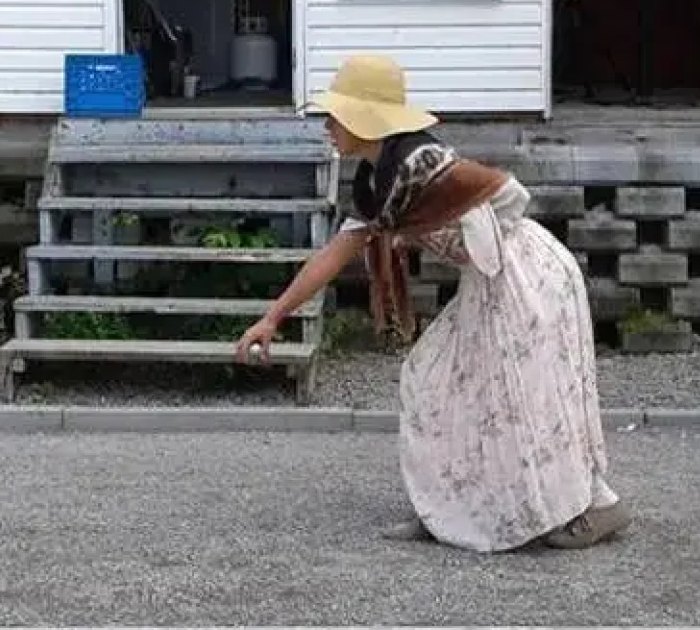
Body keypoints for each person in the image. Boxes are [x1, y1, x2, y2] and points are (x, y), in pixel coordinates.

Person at [233, 54, 630, 554]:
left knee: (531, 392)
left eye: (335, 116)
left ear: (364, 119)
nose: (328, 127)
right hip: (490, 281)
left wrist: (467, 233)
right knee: (438, 383)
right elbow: (336, 252)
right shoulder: (376, 181)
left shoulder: (422, 162)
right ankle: (449, 508)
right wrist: (274, 316)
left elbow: (511, 195)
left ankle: (597, 502)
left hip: (525, 275)